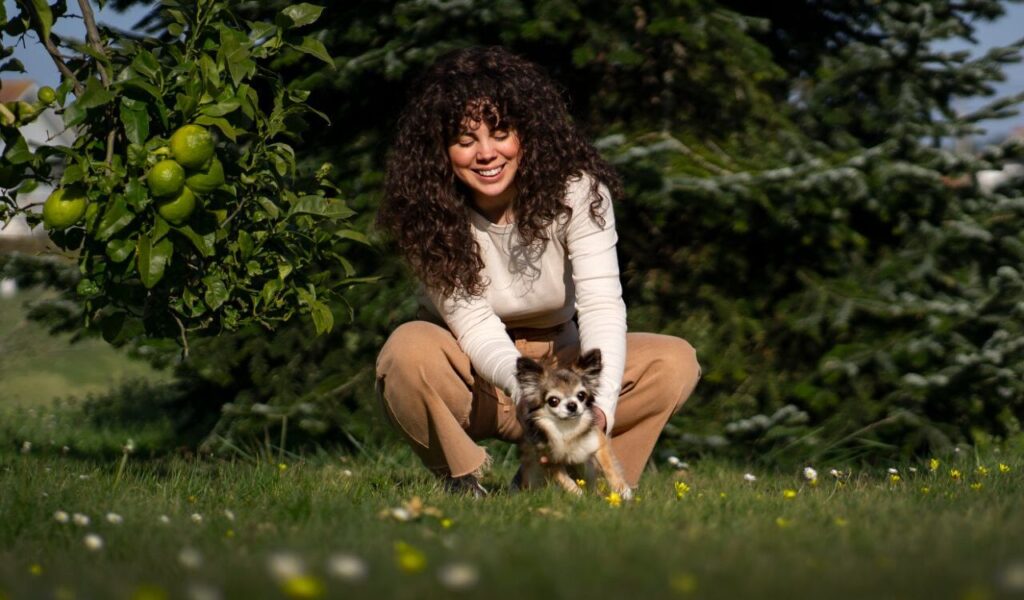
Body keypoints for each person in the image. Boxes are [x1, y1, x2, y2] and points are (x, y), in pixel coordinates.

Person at [375, 46, 701, 496]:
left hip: (564, 369)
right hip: (472, 371)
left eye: (500, 134)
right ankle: (462, 485)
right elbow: (474, 324)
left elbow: (602, 306)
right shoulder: (424, 212)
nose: (486, 153)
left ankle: (582, 484)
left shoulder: (578, 192)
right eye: (465, 141)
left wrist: (600, 408)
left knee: (674, 361)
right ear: (441, 151)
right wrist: (528, 393)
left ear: (527, 133)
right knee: (406, 350)